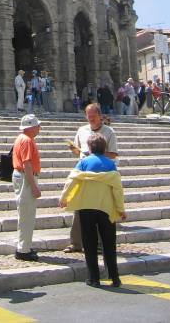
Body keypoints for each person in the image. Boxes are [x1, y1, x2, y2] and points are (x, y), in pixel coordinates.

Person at [59, 133, 126, 288]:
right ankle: (114, 277)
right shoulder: (110, 165)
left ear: (89, 147)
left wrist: (64, 198)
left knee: (89, 243)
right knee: (109, 243)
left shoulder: (83, 163)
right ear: (105, 149)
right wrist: (120, 209)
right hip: (106, 208)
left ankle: (93, 278)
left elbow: (72, 180)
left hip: (86, 207)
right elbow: (117, 189)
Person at [64, 103, 118, 253]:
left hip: (102, 176)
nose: (91, 120)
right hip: (83, 173)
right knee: (79, 208)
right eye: (89, 117)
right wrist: (74, 149)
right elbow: (77, 150)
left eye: (93, 117)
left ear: (100, 116)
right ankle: (76, 243)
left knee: (101, 209)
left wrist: (95, 155)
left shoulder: (109, 132)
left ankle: (100, 244)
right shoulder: (82, 130)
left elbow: (113, 154)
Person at [12, 114, 42, 261]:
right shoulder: (27, 140)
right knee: (27, 214)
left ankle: (24, 246)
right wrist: (33, 186)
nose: (39, 127)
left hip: (21, 176)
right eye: (37, 125)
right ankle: (23, 249)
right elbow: (27, 164)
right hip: (25, 177)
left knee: (25, 213)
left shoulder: (22, 138)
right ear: (30, 127)